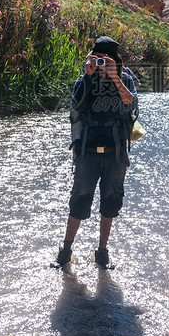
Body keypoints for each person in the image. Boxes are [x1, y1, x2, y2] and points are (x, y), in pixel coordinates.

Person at [56, 36, 138, 268]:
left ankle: (102, 252)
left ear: (115, 61)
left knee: (111, 202)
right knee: (79, 199)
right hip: (88, 151)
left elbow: (131, 104)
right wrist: (89, 75)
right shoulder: (84, 80)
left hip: (115, 152)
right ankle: (65, 251)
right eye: (98, 58)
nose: (102, 63)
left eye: (106, 60)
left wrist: (114, 76)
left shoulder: (125, 81)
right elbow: (77, 105)